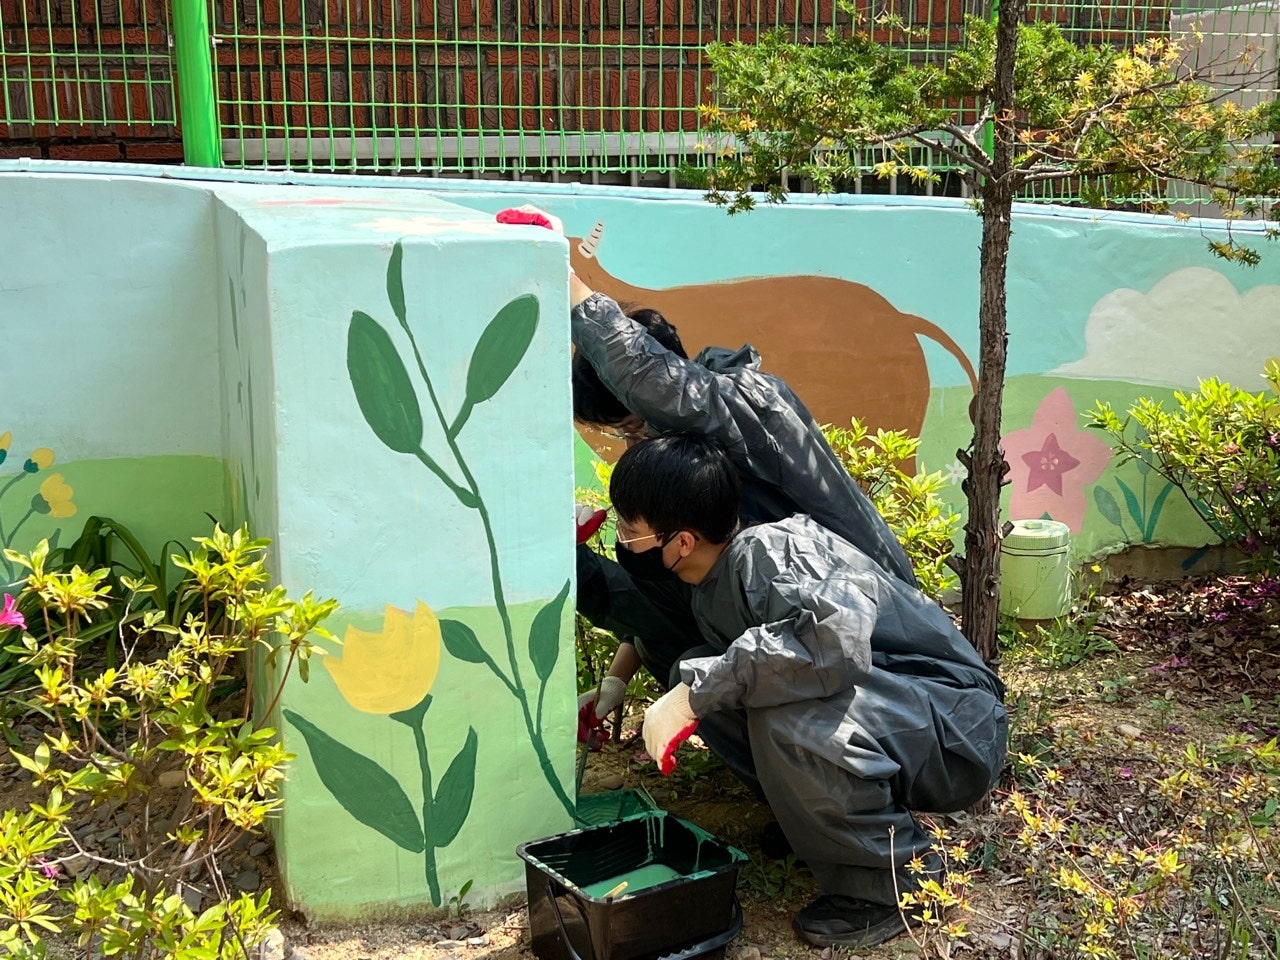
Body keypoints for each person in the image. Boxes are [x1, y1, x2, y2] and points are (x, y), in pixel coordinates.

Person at [500, 208, 918, 729]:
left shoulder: (744, 408)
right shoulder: (690, 460)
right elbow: (668, 598)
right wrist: (616, 680)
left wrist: (567, 280)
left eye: (633, 424)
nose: (632, 441)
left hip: (852, 640)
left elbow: (660, 386)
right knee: (670, 652)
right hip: (782, 635)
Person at [609, 435, 1008, 949]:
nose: (621, 540)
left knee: (774, 713)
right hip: (901, 715)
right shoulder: (712, 578)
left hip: (956, 726)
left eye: (630, 530)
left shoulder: (774, 552)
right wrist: (632, 681)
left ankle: (899, 884)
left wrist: (694, 693)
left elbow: (835, 644)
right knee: (699, 670)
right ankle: (817, 825)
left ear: (681, 541)